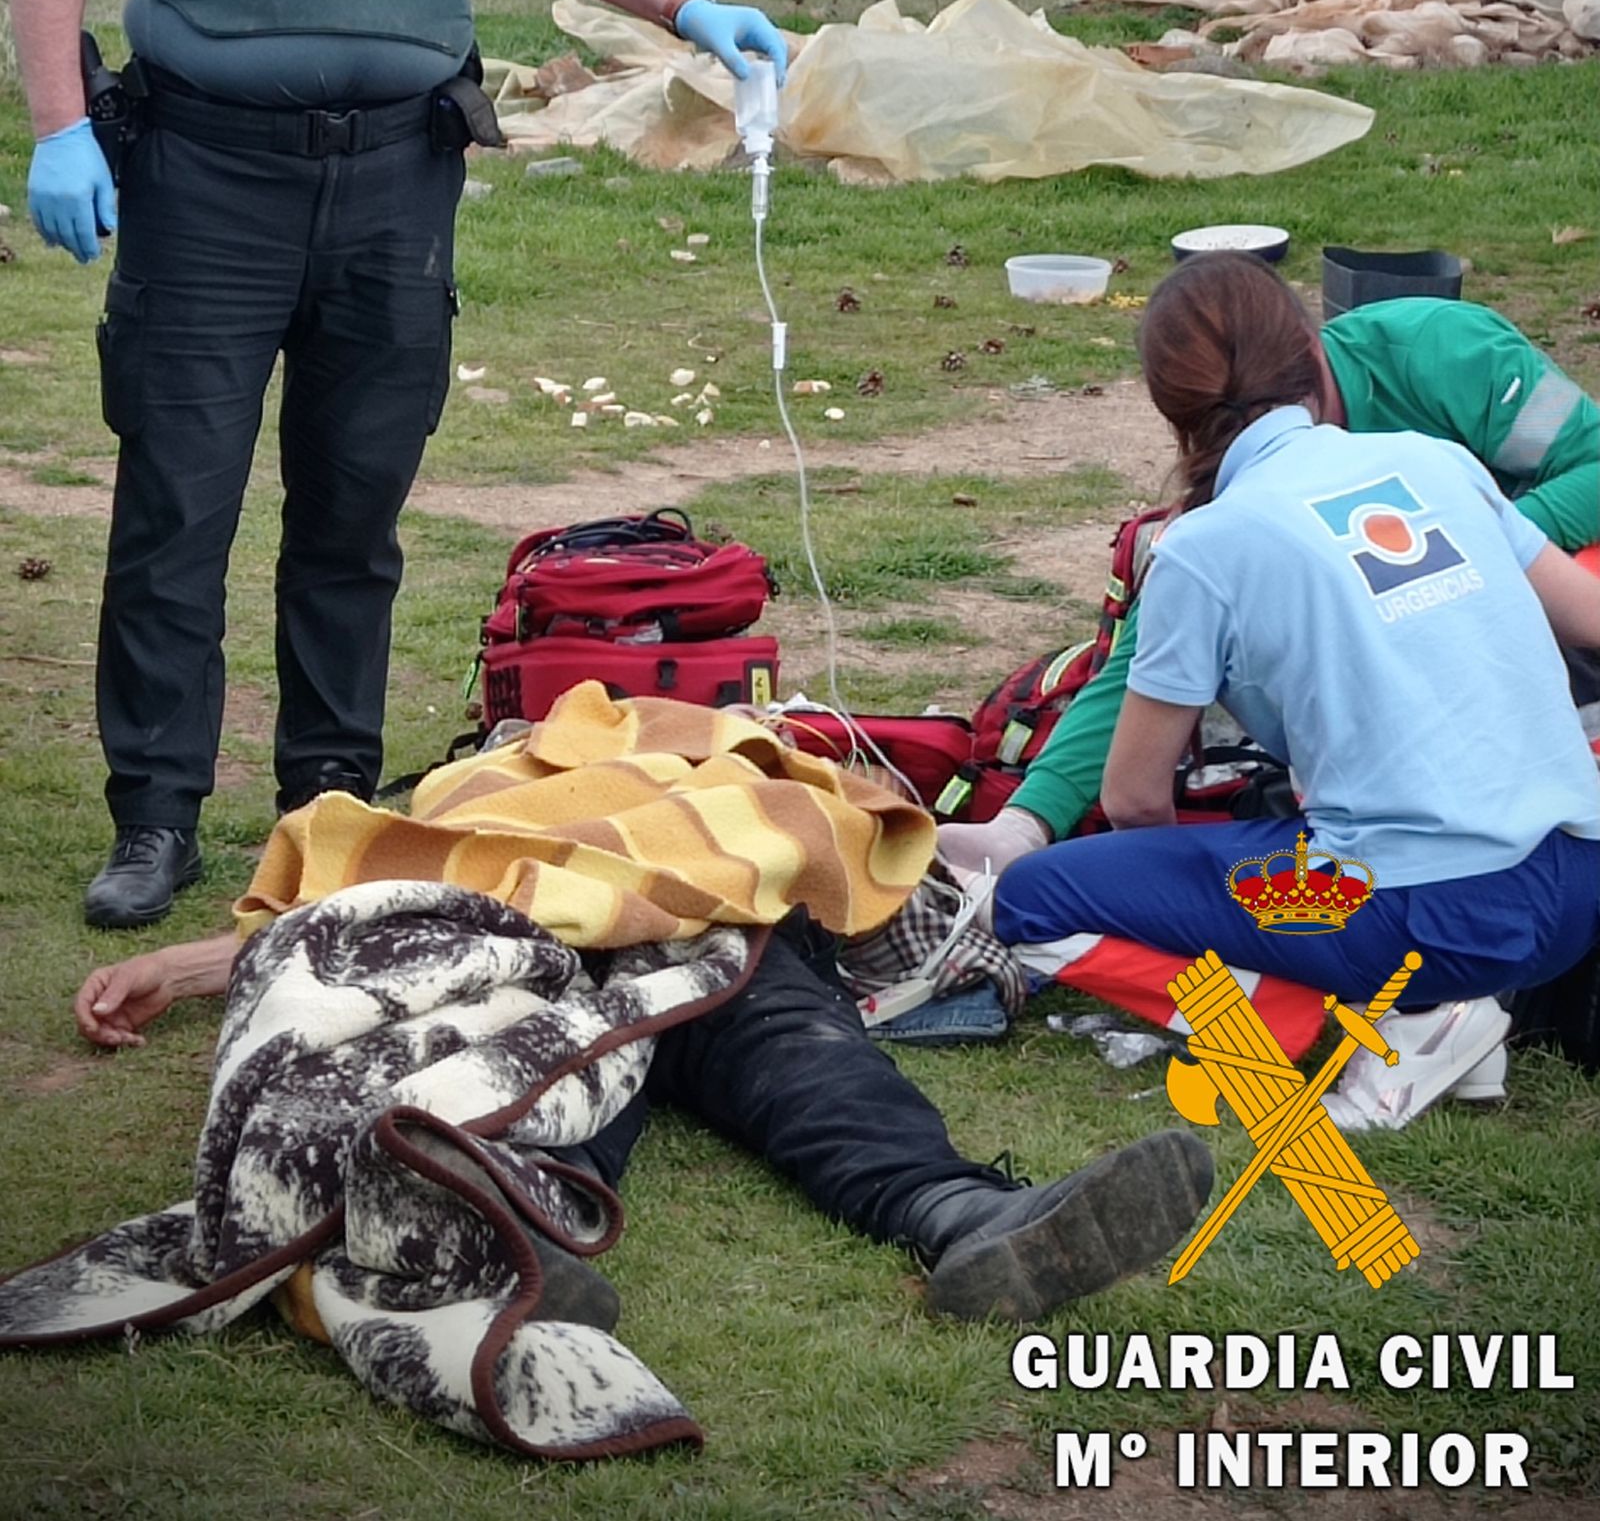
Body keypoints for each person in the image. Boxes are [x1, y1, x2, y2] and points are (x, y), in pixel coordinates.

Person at [7, 0, 788, 932]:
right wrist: (61, 128)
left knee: (354, 509)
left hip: (394, 182)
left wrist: (689, 7)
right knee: (178, 508)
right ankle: (155, 817)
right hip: (207, 183)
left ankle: (330, 797)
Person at [986, 254, 1600, 1130]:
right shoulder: (1437, 462)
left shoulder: (1204, 545)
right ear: (1311, 353)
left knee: (1035, 897)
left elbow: (1132, 798)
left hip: (1418, 912)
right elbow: (1590, 617)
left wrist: (1183, 891)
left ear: (1173, 413)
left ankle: (1366, 1020)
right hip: (1578, 884)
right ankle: (1436, 1012)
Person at [71, 915, 1214, 1327]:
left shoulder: (718, 761)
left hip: (709, 950)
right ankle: (506, 1243)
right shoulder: (463, 785)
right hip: (539, 964)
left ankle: (969, 1220)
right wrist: (186, 966)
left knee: (797, 1048)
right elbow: (352, 904)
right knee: (556, 1068)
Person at [942, 291, 1600, 878]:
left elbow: (1592, 461)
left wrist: (1467, 545)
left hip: (1553, 602)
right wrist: (1025, 822)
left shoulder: (1449, 353)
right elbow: (1144, 662)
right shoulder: (1228, 512)